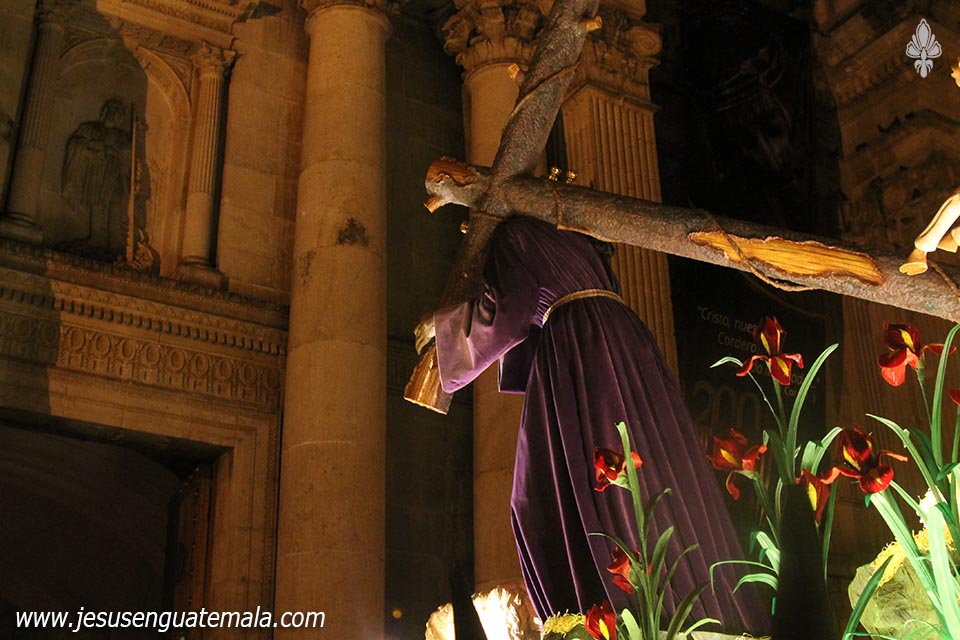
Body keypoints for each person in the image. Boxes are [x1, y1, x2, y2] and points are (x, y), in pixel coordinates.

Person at [415, 216, 769, 632]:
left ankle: (604, 617)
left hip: (580, 353)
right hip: (624, 350)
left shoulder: (515, 234)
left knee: (549, 494)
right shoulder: (570, 234)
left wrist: (441, 329)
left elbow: (507, 314)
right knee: (650, 477)